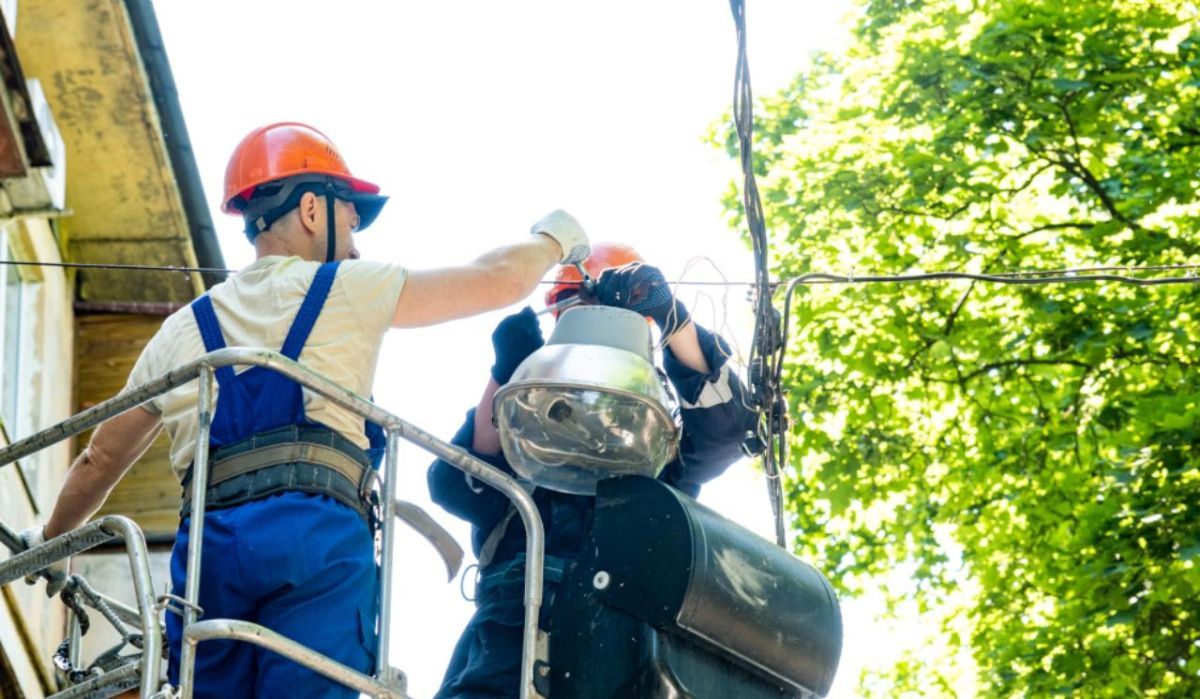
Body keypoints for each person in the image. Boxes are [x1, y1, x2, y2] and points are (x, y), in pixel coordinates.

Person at [18, 121, 590, 699]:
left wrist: (54, 545)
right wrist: (557, 238)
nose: (357, 242)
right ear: (313, 210)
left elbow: (99, 458)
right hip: (316, 537)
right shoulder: (348, 286)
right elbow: (498, 279)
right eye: (350, 219)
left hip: (210, 552)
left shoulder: (181, 331)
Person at [427, 242, 758, 698]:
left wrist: (671, 318)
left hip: (615, 634)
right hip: (508, 633)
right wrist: (506, 373)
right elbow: (458, 486)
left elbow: (726, 429)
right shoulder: (528, 418)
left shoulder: (657, 437)